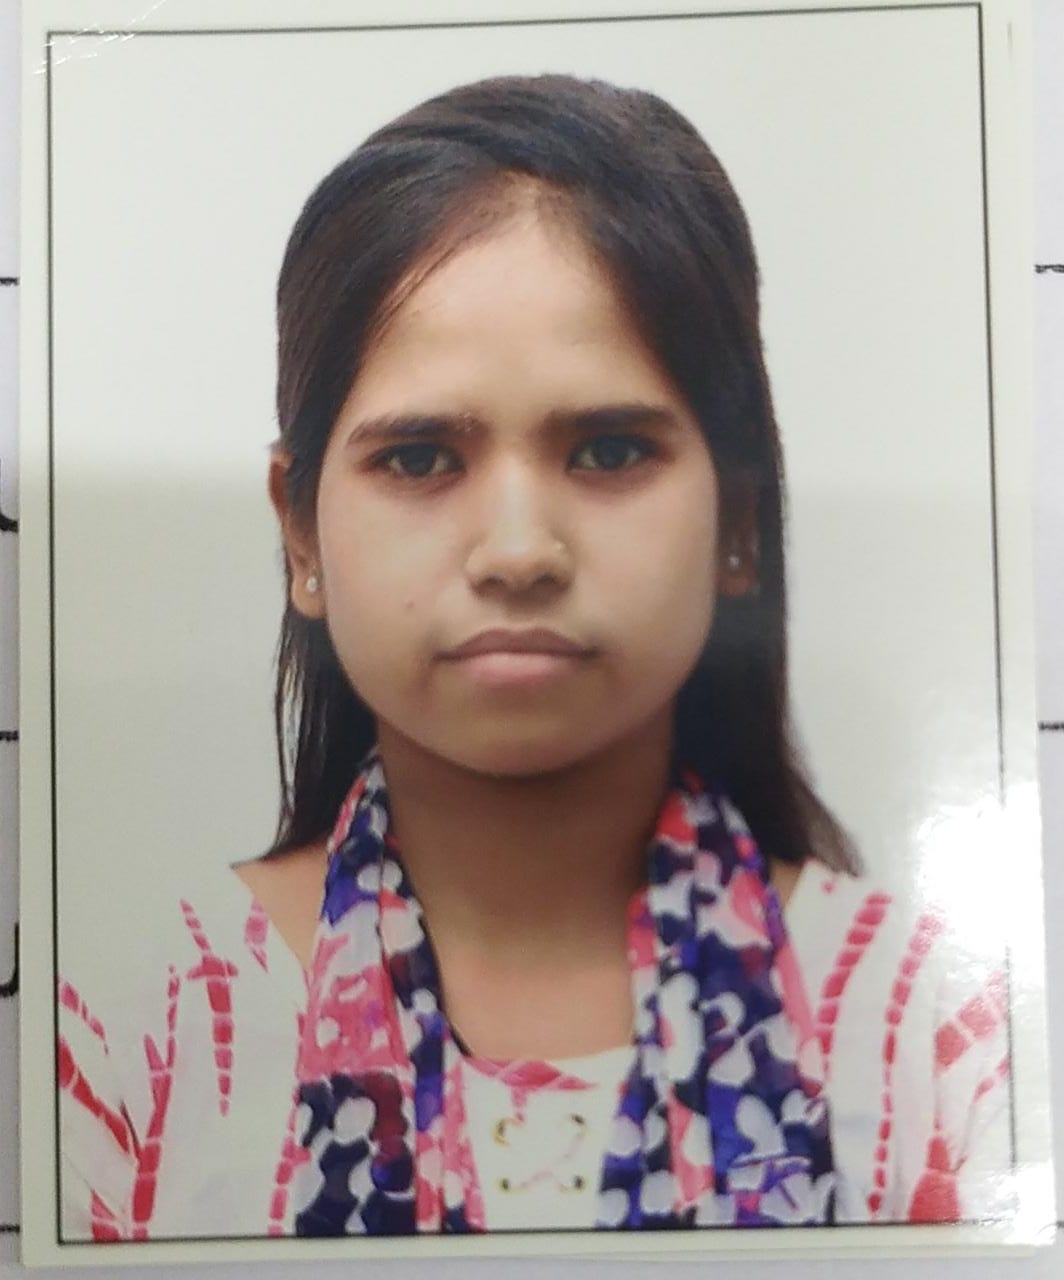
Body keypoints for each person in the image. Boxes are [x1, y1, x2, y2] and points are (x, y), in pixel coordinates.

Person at [57, 73, 1011, 1241]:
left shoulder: (946, 1049)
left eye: (606, 450)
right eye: (419, 459)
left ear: (737, 523)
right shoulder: (124, 1055)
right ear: (300, 532)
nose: (517, 551)